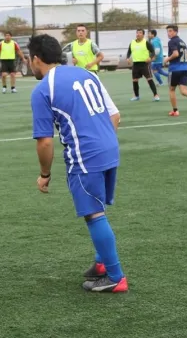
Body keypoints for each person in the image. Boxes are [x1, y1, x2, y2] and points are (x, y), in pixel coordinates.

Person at [28, 34, 128, 293]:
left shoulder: (43, 90)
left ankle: (116, 277)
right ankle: (102, 263)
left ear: (36, 59)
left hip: (86, 157)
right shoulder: (87, 74)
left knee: (93, 215)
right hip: (110, 148)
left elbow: (45, 142)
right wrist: (103, 143)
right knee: (99, 208)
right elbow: (115, 114)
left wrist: (44, 174)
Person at [164, 25, 187, 116]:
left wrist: (167, 59)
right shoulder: (182, 42)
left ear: (175, 32)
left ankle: (175, 111)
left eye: (170, 31)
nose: (169, 33)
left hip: (175, 69)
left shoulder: (172, 42)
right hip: (185, 68)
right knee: (183, 90)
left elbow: (175, 54)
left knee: (172, 89)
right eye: (168, 31)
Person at [126, 29, 159, 102]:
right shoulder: (132, 42)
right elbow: (129, 52)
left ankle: (156, 95)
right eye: (137, 33)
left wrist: (150, 58)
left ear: (143, 35)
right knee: (135, 80)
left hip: (145, 64)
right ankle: (136, 96)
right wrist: (128, 58)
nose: (138, 34)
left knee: (149, 79)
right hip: (136, 64)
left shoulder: (146, 42)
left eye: (140, 33)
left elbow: (152, 51)